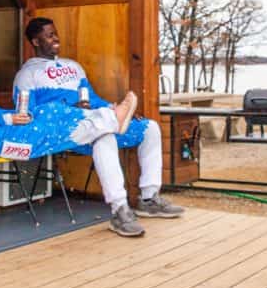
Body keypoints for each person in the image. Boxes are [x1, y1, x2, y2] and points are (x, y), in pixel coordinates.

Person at [14, 17, 184, 237]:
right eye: (49, 35)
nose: (56, 38)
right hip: (67, 131)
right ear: (36, 42)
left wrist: (110, 108)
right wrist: (68, 108)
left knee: (150, 127)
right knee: (105, 136)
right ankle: (120, 210)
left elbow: (92, 99)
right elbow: (28, 112)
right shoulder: (27, 74)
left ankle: (149, 198)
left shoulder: (74, 67)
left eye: (55, 33)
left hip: (95, 118)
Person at [0, 23, 137, 167]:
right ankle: (111, 119)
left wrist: (14, 117)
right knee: (47, 133)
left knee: (50, 110)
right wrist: (7, 118)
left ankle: (111, 117)